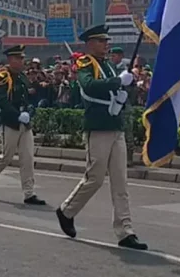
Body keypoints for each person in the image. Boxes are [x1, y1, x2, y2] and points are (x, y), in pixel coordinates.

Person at [56, 25, 148, 250]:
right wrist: (118, 82)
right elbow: (88, 85)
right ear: (89, 44)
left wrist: (126, 91)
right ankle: (67, 210)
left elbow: (114, 91)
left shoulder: (107, 65)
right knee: (95, 178)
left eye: (106, 41)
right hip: (97, 128)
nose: (106, 45)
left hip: (115, 127)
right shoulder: (86, 64)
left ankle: (125, 231)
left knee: (120, 181)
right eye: (101, 41)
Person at [0, 45, 45, 205]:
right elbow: (1, 101)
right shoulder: (2, 76)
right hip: (11, 123)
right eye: (19, 58)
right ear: (11, 60)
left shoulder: (22, 76)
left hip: (25, 122)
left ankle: (29, 193)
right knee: (6, 156)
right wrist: (17, 115)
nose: (23, 61)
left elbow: (28, 99)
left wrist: (29, 112)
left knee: (28, 158)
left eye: (23, 58)